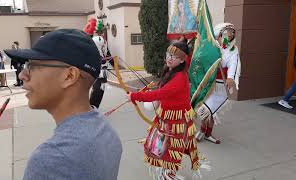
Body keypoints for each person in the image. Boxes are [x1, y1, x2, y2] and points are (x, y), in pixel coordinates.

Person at [5, 29, 122, 180]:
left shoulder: (49, 161)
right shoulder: (107, 131)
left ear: (69, 76)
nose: (22, 75)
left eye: (33, 66)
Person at [126, 38, 202, 179]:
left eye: (174, 56)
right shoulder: (170, 71)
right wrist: (150, 88)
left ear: (182, 60)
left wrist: (135, 96)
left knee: (172, 148)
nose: (169, 58)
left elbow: (161, 94)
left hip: (176, 120)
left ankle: (170, 174)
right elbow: (162, 89)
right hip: (166, 116)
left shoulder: (180, 78)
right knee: (160, 145)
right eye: (168, 55)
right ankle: (166, 172)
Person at [195, 23, 241, 144]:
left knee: (212, 110)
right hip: (209, 83)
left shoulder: (233, 49)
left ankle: (207, 133)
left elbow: (233, 63)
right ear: (219, 35)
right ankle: (202, 130)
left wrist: (231, 77)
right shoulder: (213, 47)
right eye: (226, 34)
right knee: (205, 109)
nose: (229, 36)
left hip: (220, 86)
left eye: (231, 34)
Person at [89, 34, 111, 108]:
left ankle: (95, 107)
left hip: (104, 73)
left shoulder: (103, 48)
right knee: (96, 90)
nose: (103, 45)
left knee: (102, 89)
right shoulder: (92, 52)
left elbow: (108, 56)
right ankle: (92, 107)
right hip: (97, 73)